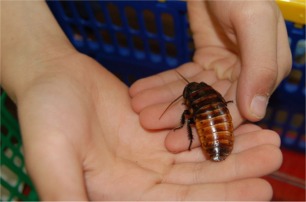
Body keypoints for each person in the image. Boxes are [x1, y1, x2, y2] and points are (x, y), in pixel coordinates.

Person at [2, 0, 291, 201]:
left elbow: (189, 117)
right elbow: (207, 110)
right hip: (216, 118)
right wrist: (41, 59)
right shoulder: (213, 102)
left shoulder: (194, 108)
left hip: (211, 120)